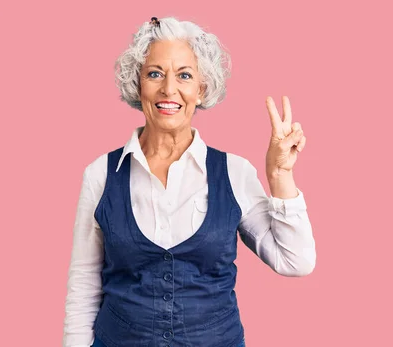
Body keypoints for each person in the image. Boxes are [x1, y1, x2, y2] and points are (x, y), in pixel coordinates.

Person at [62, 16, 316, 347]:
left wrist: (279, 175)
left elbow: (295, 261)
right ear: (138, 84)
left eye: (184, 75)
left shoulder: (235, 173)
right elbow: (84, 286)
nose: (169, 89)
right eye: (155, 73)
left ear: (202, 88)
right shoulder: (100, 174)